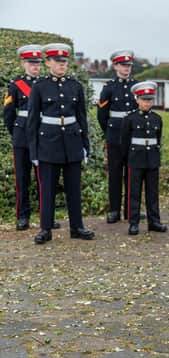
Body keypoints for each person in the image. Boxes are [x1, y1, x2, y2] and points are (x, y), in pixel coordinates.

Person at [27, 43, 94, 244]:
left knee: (74, 187)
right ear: (48, 63)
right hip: (48, 143)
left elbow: (82, 117)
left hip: (72, 142)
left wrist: (85, 145)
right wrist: (34, 151)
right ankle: (46, 229)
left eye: (64, 61)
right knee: (47, 189)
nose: (62, 65)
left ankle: (77, 227)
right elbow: (32, 121)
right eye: (57, 61)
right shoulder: (39, 87)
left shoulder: (75, 85)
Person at [3, 45, 47, 231]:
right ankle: (23, 217)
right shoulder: (15, 85)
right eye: (31, 63)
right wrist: (16, 133)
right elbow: (8, 114)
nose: (35, 67)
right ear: (23, 63)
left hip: (43, 136)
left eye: (37, 63)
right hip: (21, 136)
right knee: (22, 179)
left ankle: (47, 217)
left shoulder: (46, 84)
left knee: (44, 179)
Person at [121, 81, 167, 235]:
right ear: (137, 99)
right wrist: (127, 159)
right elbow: (125, 141)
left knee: (152, 192)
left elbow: (158, 139)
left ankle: (154, 221)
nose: (147, 103)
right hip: (136, 158)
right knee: (134, 192)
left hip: (152, 158)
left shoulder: (157, 119)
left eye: (150, 100)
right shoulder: (129, 119)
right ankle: (133, 223)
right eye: (144, 99)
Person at [97, 50, 138, 224]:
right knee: (115, 174)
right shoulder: (109, 88)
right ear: (115, 66)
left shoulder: (137, 87)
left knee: (133, 174)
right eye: (122, 65)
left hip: (133, 136)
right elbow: (101, 115)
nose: (126, 68)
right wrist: (109, 133)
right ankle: (114, 210)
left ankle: (131, 210)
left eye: (128, 65)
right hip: (114, 136)